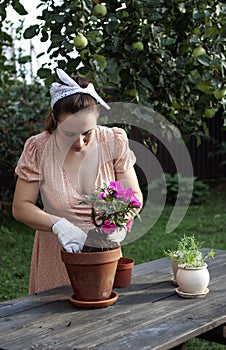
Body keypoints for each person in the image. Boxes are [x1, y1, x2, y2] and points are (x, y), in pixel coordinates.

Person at [12, 68, 143, 294]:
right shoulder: (39, 148)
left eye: (87, 133)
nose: (80, 142)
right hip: (57, 255)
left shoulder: (113, 140)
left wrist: (121, 221)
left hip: (104, 254)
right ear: (55, 119)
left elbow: (134, 196)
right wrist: (57, 224)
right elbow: (21, 207)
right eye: (69, 132)